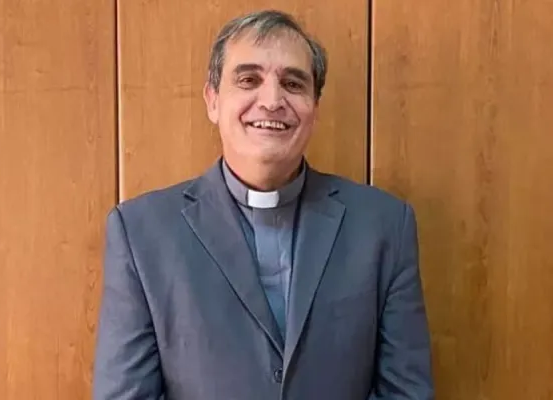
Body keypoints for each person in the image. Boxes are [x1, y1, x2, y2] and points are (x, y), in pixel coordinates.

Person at [93, 9, 433, 400]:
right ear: (212, 101)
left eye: (293, 83)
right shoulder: (140, 233)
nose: (272, 101)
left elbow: (405, 392)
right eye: (249, 80)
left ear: (315, 107)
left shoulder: (384, 226)